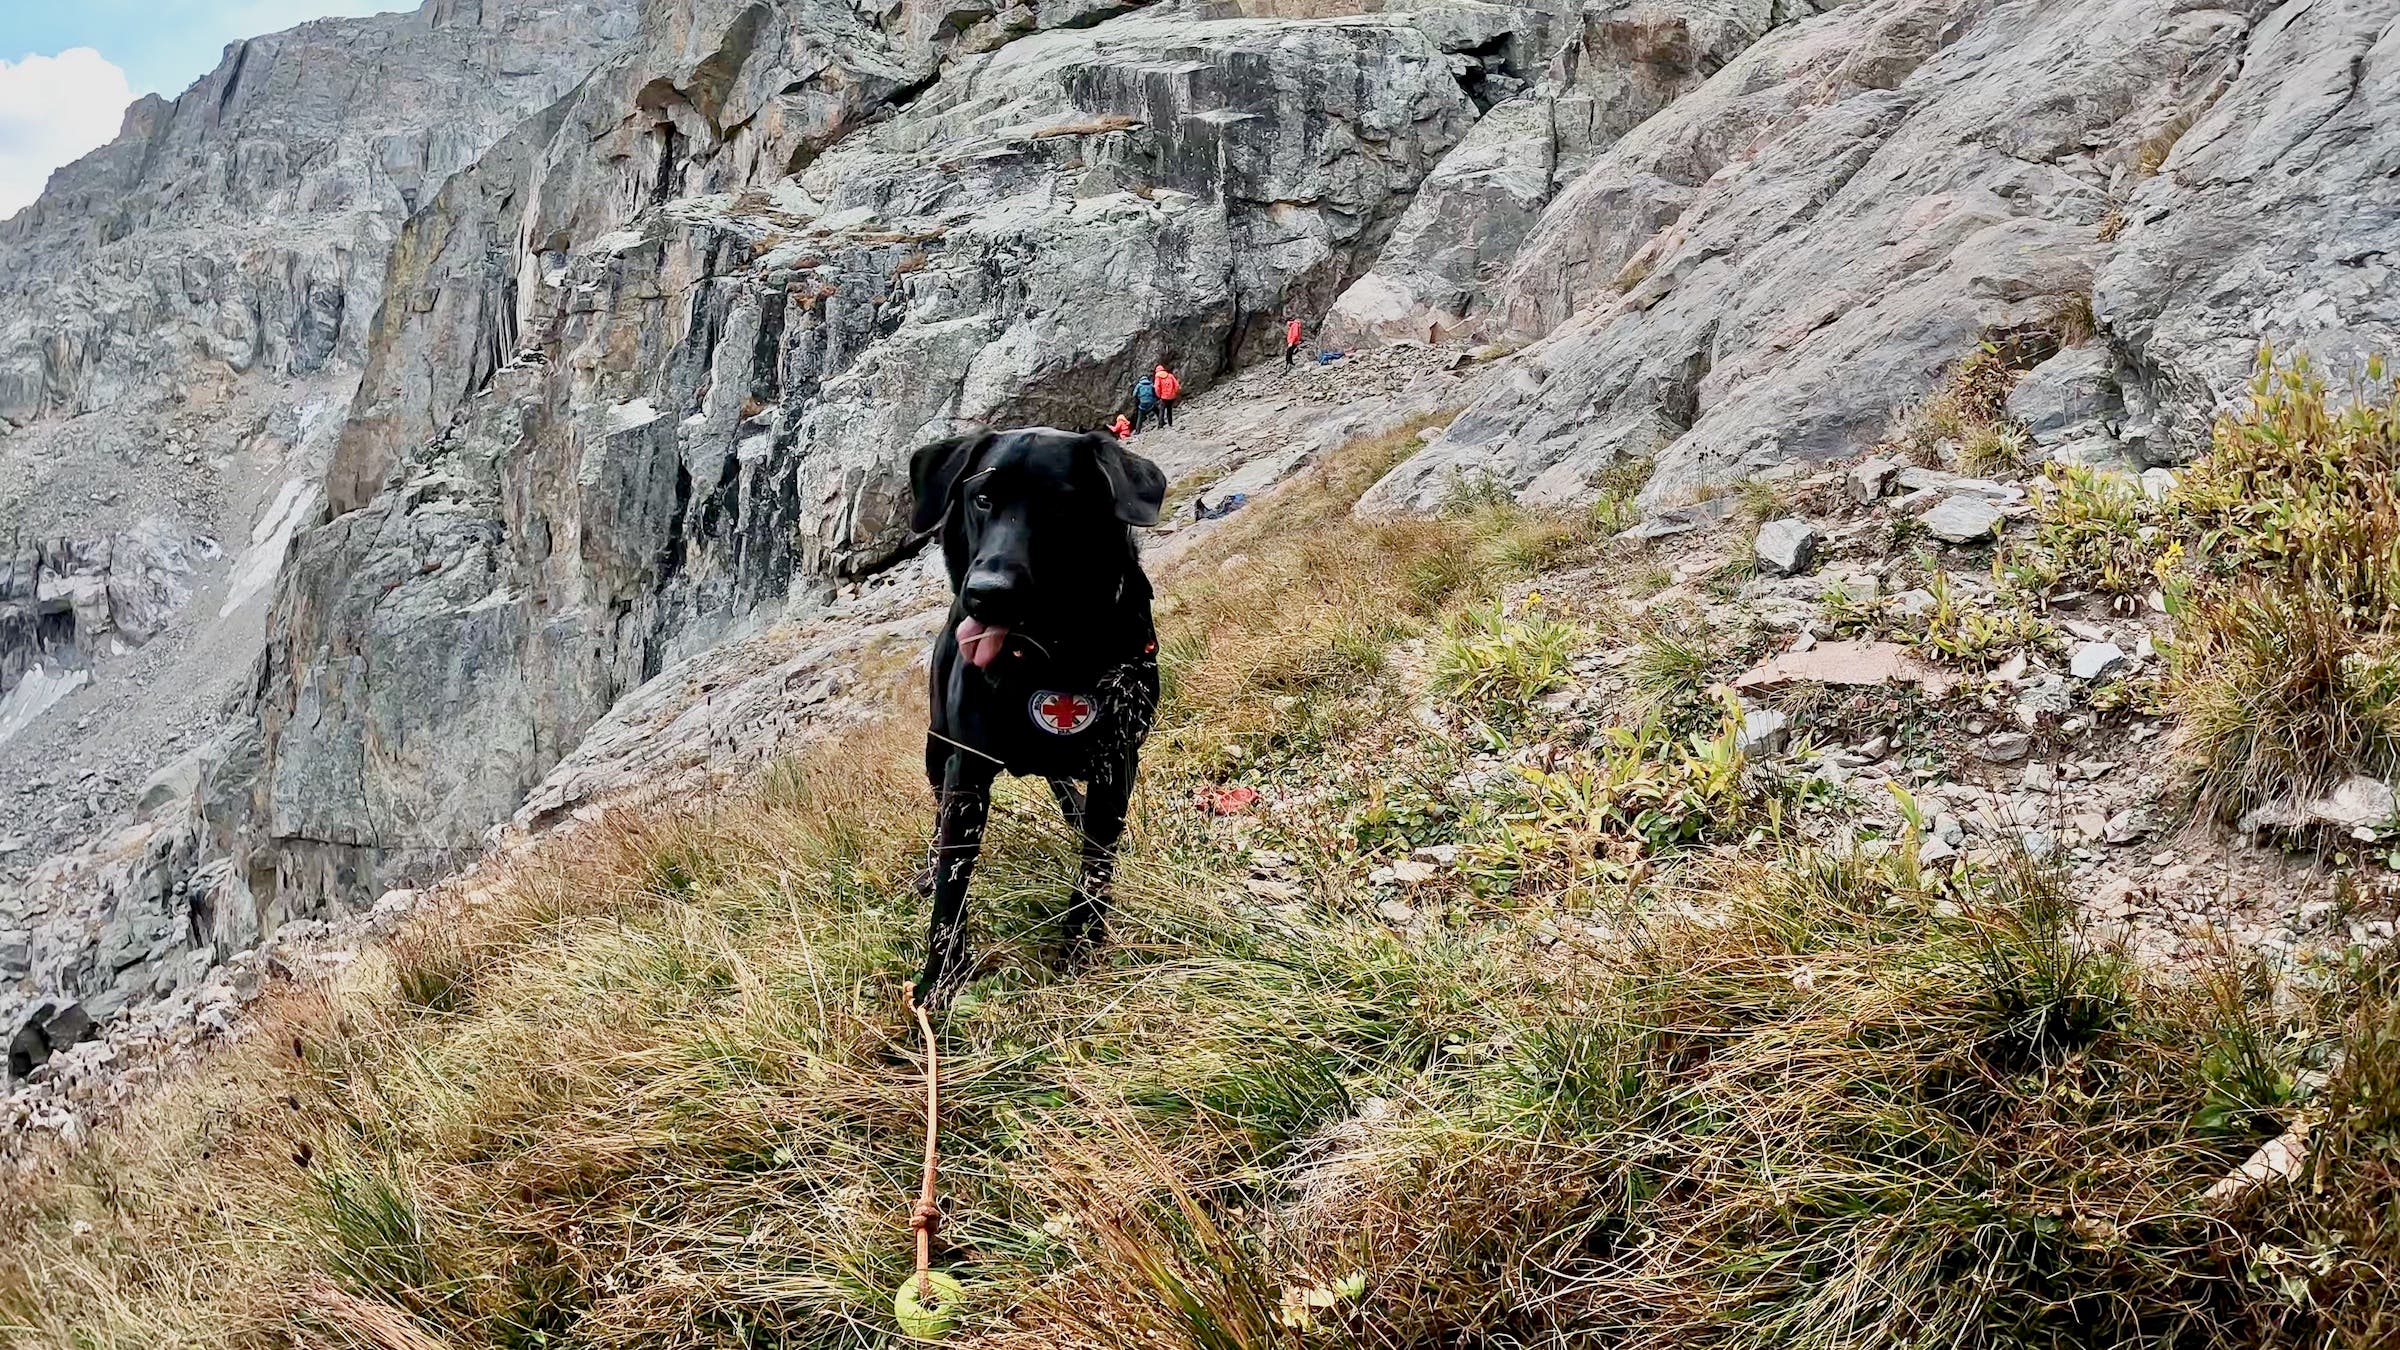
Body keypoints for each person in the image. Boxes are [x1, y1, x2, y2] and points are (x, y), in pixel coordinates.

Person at [1152, 362, 1180, 428]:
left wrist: (1159, 395)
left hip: (1164, 396)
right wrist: (1175, 393)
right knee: (1169, 410)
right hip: (1172, 396)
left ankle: (1160, 425)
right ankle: (1170, 423)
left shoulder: (1158, 377)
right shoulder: (1170, 375)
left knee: (1162, 410)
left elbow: (1157, 387)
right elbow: (1176, 385)